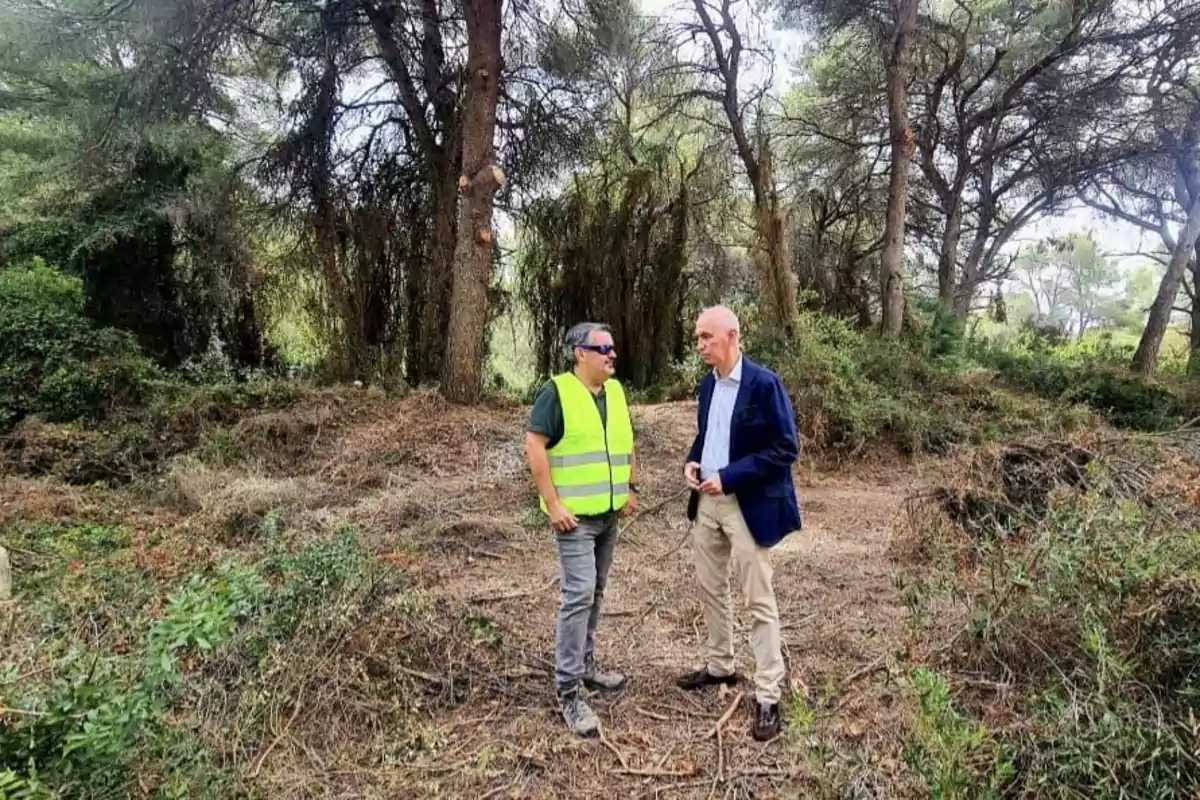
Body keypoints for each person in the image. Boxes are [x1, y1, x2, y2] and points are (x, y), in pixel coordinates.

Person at [676, 305, 802, 742]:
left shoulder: (765, 384)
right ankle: (720, 666)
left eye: (706, 337)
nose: (700, 346)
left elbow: (786, 448)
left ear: (732, 336)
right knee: (711, 589)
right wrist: (694, 462)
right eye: (698, 338)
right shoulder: (707, 386)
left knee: (758, 600)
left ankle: (768, 694)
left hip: (747, 505)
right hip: (706, 505)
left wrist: (728, 476)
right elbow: (707, 436)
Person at [524, 321, 640, 737]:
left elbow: (626, 441)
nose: (611, 355)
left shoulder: (615, 392)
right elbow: (534, 445)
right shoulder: (557, 393)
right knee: (578, 596)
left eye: (613, 348)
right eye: (602, 348)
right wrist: (553, 504)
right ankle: (569, 691)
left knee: (595, 591)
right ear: (580, 353)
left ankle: (587, 666)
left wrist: (629, 488)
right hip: (574, 521)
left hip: (608, 516)